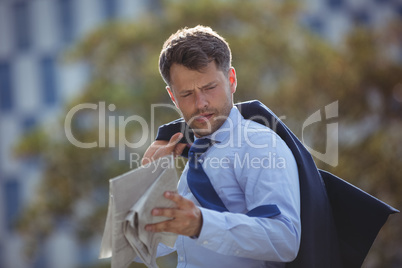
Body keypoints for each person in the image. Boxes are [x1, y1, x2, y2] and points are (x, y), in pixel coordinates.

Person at [141, 25, 301, 267]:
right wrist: (147, 186)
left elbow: (284, 239)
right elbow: (149, 246)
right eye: (186, 94)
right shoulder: (196, 154)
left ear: (231, 80)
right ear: (172, 97)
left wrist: (201, 224)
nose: (200, 103)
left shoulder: (259, 145)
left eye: (209, 88)